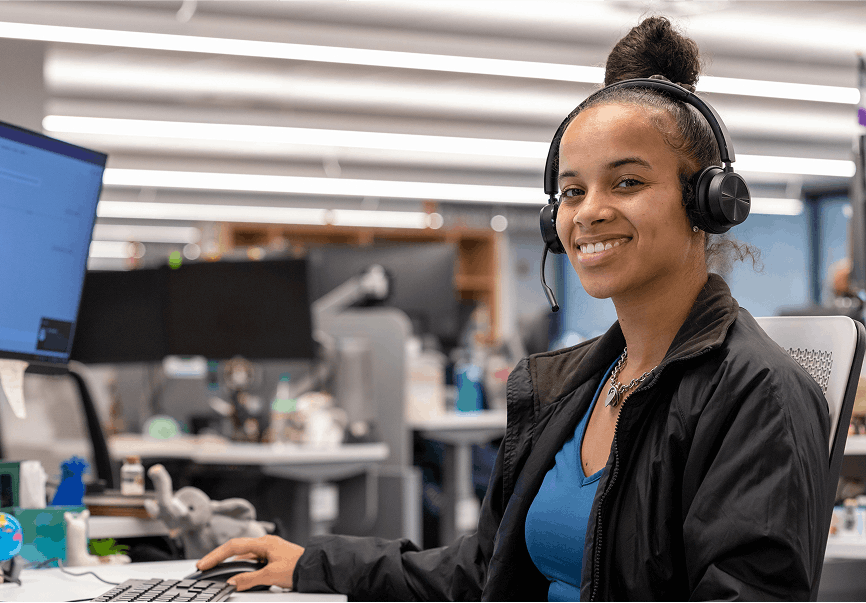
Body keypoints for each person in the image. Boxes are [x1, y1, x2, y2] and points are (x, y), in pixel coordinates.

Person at [197, 17, 830, 601]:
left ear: (707, 202)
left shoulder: (760, 395)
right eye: (572, 191)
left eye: (627, 182)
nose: (589, 211)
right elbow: (483, 572)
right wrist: (316, 563)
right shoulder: (570, 388)